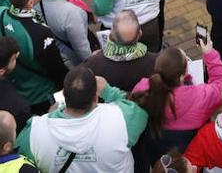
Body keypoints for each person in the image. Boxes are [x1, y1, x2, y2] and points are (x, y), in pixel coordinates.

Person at [17, 66, 148, 173]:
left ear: (63, 95)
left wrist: (51, 115)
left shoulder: (33, 133)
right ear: (96, 97)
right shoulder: (122, 117)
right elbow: (140, 108)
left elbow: (20, 158)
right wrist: (109, 91)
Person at [131, 34, 222, 154]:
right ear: (182, 76)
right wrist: (209, 53)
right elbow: (221, 83)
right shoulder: (201, 96)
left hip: (156, 150)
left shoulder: (142, 87)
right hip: (189, 152)